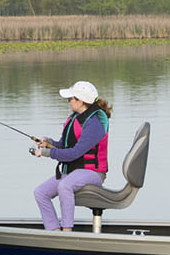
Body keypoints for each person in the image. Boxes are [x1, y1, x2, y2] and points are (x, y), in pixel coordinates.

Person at [31, 79, 111, 232]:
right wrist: (48, 142)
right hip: (73, 171)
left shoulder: (95, 123)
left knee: (64, 185)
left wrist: (47, 153)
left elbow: (74, 153)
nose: (69, 102)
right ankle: (54, 231)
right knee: (40, 192)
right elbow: (64, 145)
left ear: (80, 101)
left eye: (70, 99)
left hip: (93, 173)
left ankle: (67, 231)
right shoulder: (75, 117)